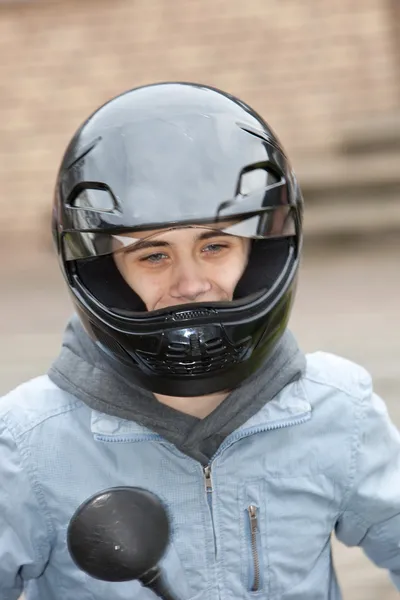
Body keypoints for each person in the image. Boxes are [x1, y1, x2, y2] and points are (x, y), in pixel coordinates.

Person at [1, 82, 399, 600]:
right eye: (153, 255)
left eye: (214, 246)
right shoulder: (29, 442)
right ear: (105, 274)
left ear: (261, 253)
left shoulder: (335, 410)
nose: (190, 284)